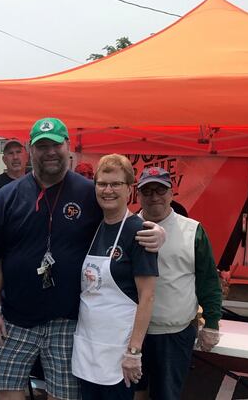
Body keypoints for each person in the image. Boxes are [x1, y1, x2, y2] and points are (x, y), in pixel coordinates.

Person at [0, 118, 165, 400]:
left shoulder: (90, 193)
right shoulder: (6, 197)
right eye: (42, 146)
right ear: (30, 149)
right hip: (14, 317)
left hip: (67, 321)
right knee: (9, 395)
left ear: (68, 148)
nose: (50, 151)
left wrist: (157, 230)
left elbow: (120, 221)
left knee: (63, 397)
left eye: (56, 145)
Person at [71, 154, 158, 400]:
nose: (108, 190)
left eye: (116, 184)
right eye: (102, 184)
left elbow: (148, 297)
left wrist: (134, 352)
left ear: (129, 189)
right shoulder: (93, 226)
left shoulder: (139, 232)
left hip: (119, 352)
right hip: (88, 347)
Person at [134, 167, 222, 400]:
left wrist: (212, 323)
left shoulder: (192, 231)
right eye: (147, 191)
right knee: (133, 393)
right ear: (138, 195)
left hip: (173, 334)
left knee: (166, 395)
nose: (154, 197)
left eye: (160, 190)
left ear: (171, 193)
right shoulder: (126, 228)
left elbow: (208, 282)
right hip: (131, 332)